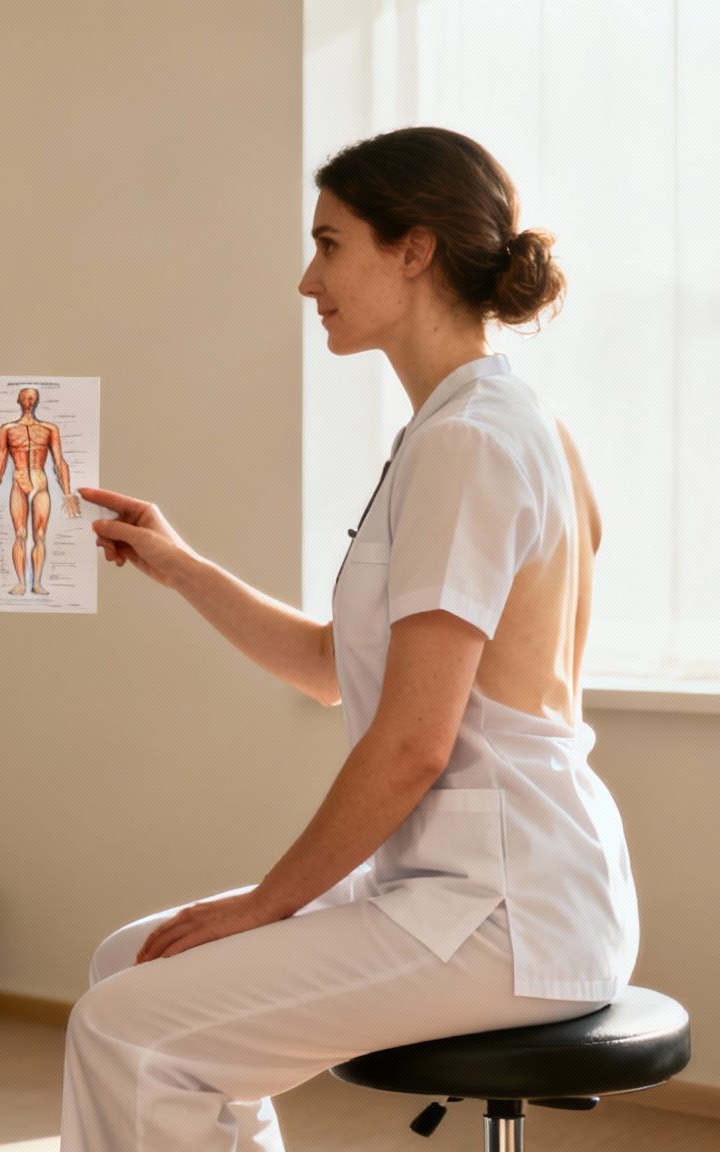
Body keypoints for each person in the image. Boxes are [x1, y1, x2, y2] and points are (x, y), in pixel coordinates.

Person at [61, 126, 639, 1151]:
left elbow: (413, 744)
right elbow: (337, 669)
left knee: (134, 1032)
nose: (305, 278)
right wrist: (179, 565)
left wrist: (269, 902)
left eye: (329, 244)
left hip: (501, 914)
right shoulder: (479, 425)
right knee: (131, 964)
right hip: (471, 889)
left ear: (411, 250)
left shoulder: (468, 443)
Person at [0, 386, 84, 595]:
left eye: (33, 396)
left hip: (40, 483)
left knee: (40, 535)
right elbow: (1, 460)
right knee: (20, 534)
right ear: (18, 400)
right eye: (25, 396)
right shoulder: (8, 429)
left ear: (36, 401)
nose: (29, 399)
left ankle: (36, 582)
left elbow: (59, 461)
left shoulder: (49, 429)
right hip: (19, 483)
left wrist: (67, 492)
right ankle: (20, 582)